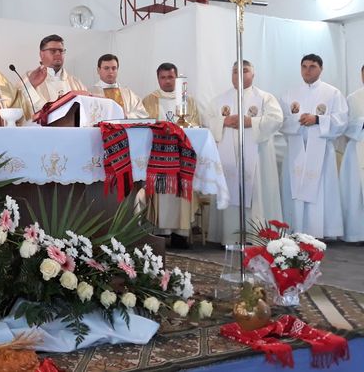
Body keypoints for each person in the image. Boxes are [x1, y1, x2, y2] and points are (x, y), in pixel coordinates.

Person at [205, 60, 284, 245]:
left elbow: (276, 119)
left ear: (253, 75)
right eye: (235, 71)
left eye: (244, 70)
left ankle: (257, 237)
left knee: (256, 193)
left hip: (257, 159)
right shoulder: (219, 100)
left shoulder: (265, 98)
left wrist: (251, 122)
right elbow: (207, 121)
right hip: (228, 158)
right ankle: (229, 237)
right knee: (231, 188)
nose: (239, 74)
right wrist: (223, 122)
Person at [279, 54, 347, 239]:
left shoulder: (332, 93)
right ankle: (295, 228)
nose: (307, 70)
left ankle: (320, 231)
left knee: (320, 189)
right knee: (296, 189)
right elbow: (281, 121)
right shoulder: (289, 94)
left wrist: (317, 119)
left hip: (321, 150)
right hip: (297, 149)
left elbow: (342, 121)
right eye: (304, 66)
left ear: (321, 69)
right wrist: (298, 120)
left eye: (312, 67)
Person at [140, 63, 200, 246]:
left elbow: (196, 126)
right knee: (161, 193)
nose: (167, 81)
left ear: (176, 78)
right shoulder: (149, 100)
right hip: (158, 157)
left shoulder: (188, 101)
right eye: (163, 77)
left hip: (181, 157)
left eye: (170, 77)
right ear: (158, 79)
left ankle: (180, 234)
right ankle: (160, 232)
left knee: (180, 191)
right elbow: (143, 128)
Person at [23, 34, 88, 111]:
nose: (58, 54)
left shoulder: (76, 82)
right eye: (53, 51)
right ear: (42, 54)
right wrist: (31, 86)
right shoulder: (29, 78)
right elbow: (19, 103)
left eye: (61, 51)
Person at [339, 64, 364, 242]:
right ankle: (357, 233)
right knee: (355, 192)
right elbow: (344, 125)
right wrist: (362, 122)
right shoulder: (352, 98)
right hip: (357, 148)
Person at [92, 54, 148, 118]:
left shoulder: (128, 93)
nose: (110, 71)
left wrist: (126, 116)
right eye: (106, 68)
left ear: (117, 70)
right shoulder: (92, 93)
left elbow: (143, 113)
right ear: (98, 70)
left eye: (114, 68)